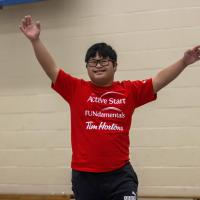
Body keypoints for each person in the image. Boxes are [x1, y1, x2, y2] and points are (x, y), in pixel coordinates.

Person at [19, 15, 200, 200]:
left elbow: (159, 80)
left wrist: (184, 62)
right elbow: (52, 69)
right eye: (93, 62)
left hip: (120, 176)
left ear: (115, 66)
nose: (98, 65)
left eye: (104, 61)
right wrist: (36, 41)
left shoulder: (129, 91)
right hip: (85, 177)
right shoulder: (76, 89)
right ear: (87, 67)